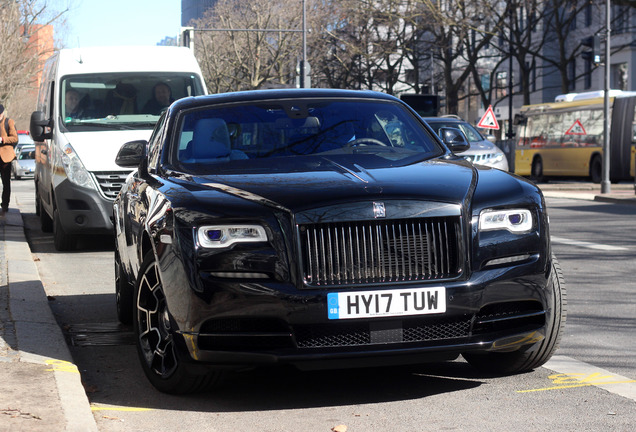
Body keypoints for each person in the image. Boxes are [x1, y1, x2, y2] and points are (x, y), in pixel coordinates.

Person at [0, 104, 18, 213]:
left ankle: (5, 204)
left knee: (6, 183)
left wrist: (2, 139)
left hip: (5, 157)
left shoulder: (9, 122)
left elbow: (15, 138)